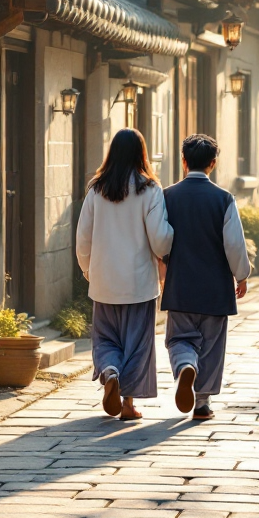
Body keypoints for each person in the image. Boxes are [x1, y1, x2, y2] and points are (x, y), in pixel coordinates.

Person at [75, 128, 174, 420]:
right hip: (139, 283)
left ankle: (110, 371)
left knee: (106, 337)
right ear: (141, 154)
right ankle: (128, 405)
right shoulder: (150, 189)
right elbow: (160, 240)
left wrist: (88, 269)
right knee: (137, 344)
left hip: (104, 281)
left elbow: (83, 237)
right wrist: (172, 236)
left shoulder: (97, 189)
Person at [160, 133, 251, 420]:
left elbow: (160, 239)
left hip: (180, 284)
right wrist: (241, 275)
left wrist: (163, 261)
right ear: (213, 163)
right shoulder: (224, 199)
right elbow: (234, 244)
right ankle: (202, 404)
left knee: (179, 338)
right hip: (215, 287)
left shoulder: (167, 196)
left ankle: (186, 365)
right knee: (212, 345)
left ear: (183, 161)